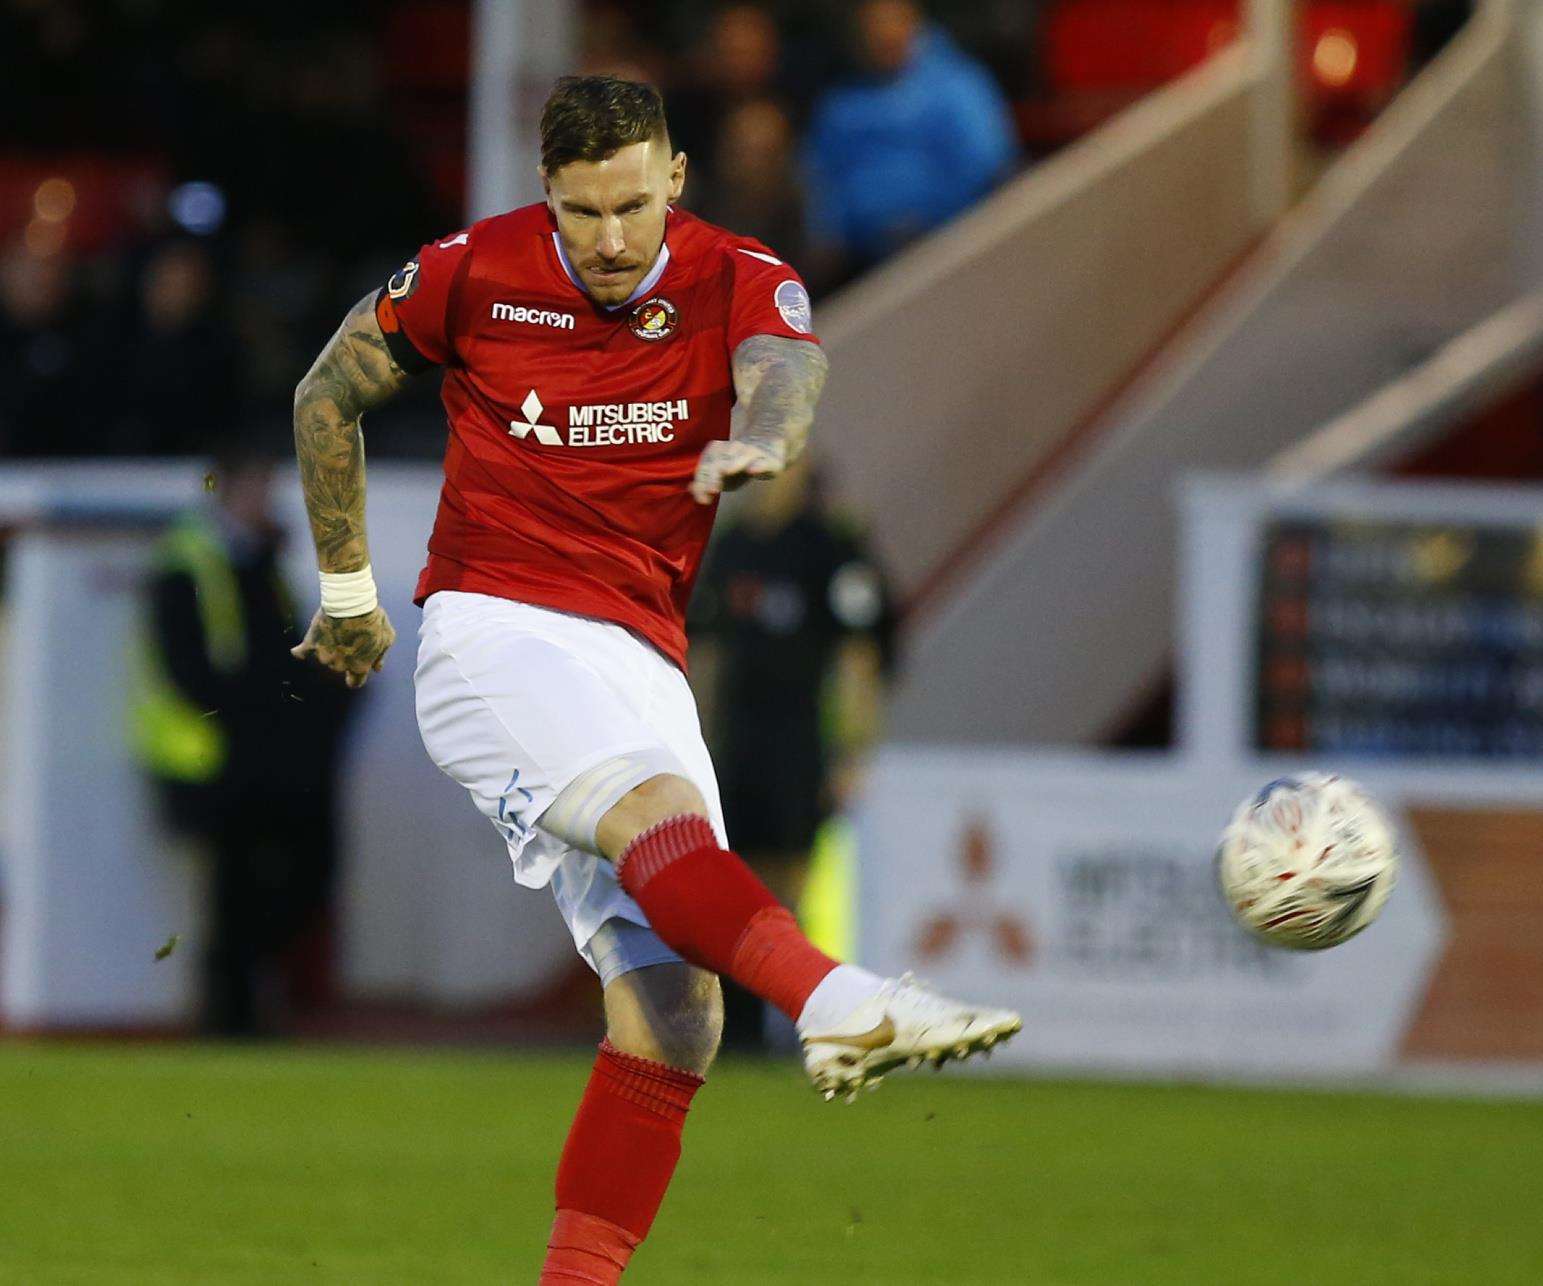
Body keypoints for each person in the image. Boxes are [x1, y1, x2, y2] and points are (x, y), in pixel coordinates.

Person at [288, 75, 1019, 1282]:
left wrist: (766, 438)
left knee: (677, 1017)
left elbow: (786, 369)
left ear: (675, 179)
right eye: (583, 213)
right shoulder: (471, 270)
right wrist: (351, 591)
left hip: (637, 655)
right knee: (652, 819)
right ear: (548, 197)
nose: (612, 239)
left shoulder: (737, 272)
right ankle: (839, 999)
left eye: (632, 205)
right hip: (495, 630)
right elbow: (330, 390)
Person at [131, 449, 356, 1035]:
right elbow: (189, 671)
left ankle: (242, 1009)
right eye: (257, 487)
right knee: (238, 890)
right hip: (213, 758)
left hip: (260, 756)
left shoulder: (261, 562)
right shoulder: (188, 565)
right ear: (226, 490)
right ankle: (230, 1017)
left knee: (288, 878)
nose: (268, 501)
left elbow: (286, 657)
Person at [690, 457, 894, 1049]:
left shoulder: (829, 548)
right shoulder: (730, 547)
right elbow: (706, 652)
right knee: (734, 880)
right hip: (737, 738)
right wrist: (693, 743)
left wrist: (852, 750)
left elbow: (859, 658)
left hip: (801, 741)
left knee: (792, 881)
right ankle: (744, 1027)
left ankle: (805, 1020)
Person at [803, 0, 1020, 281]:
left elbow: (988, 162)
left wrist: (924, 218)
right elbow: (821, 187)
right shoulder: (838, 108)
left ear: (914, 24)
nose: (883, 36)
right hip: (870, 266)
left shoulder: (957, 85)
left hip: (961, 242)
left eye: (891, 22)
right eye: (872, 28)